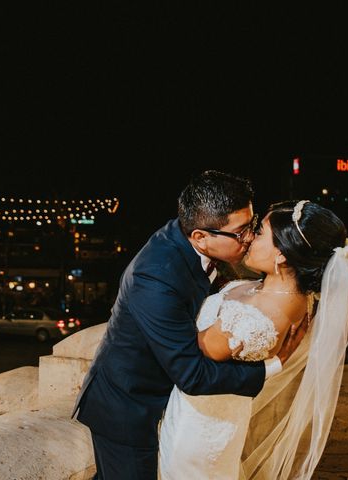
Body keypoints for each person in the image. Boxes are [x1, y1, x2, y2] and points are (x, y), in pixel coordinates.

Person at [72, 171, 308, 480]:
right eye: (240, 233)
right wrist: (274, 365)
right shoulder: (156, 277)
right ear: (200, 236)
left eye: (252, 226)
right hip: (127, 404)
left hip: (170, 401)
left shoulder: (197, 239)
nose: (249, 238)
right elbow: (192, 374)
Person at [158, 200, 348, 479]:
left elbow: (186, 352)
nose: (251, 238)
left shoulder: (257, 318)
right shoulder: (285, 294)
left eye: (261, 232)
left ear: (281, 254)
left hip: (198, 429)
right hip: (212, 419)